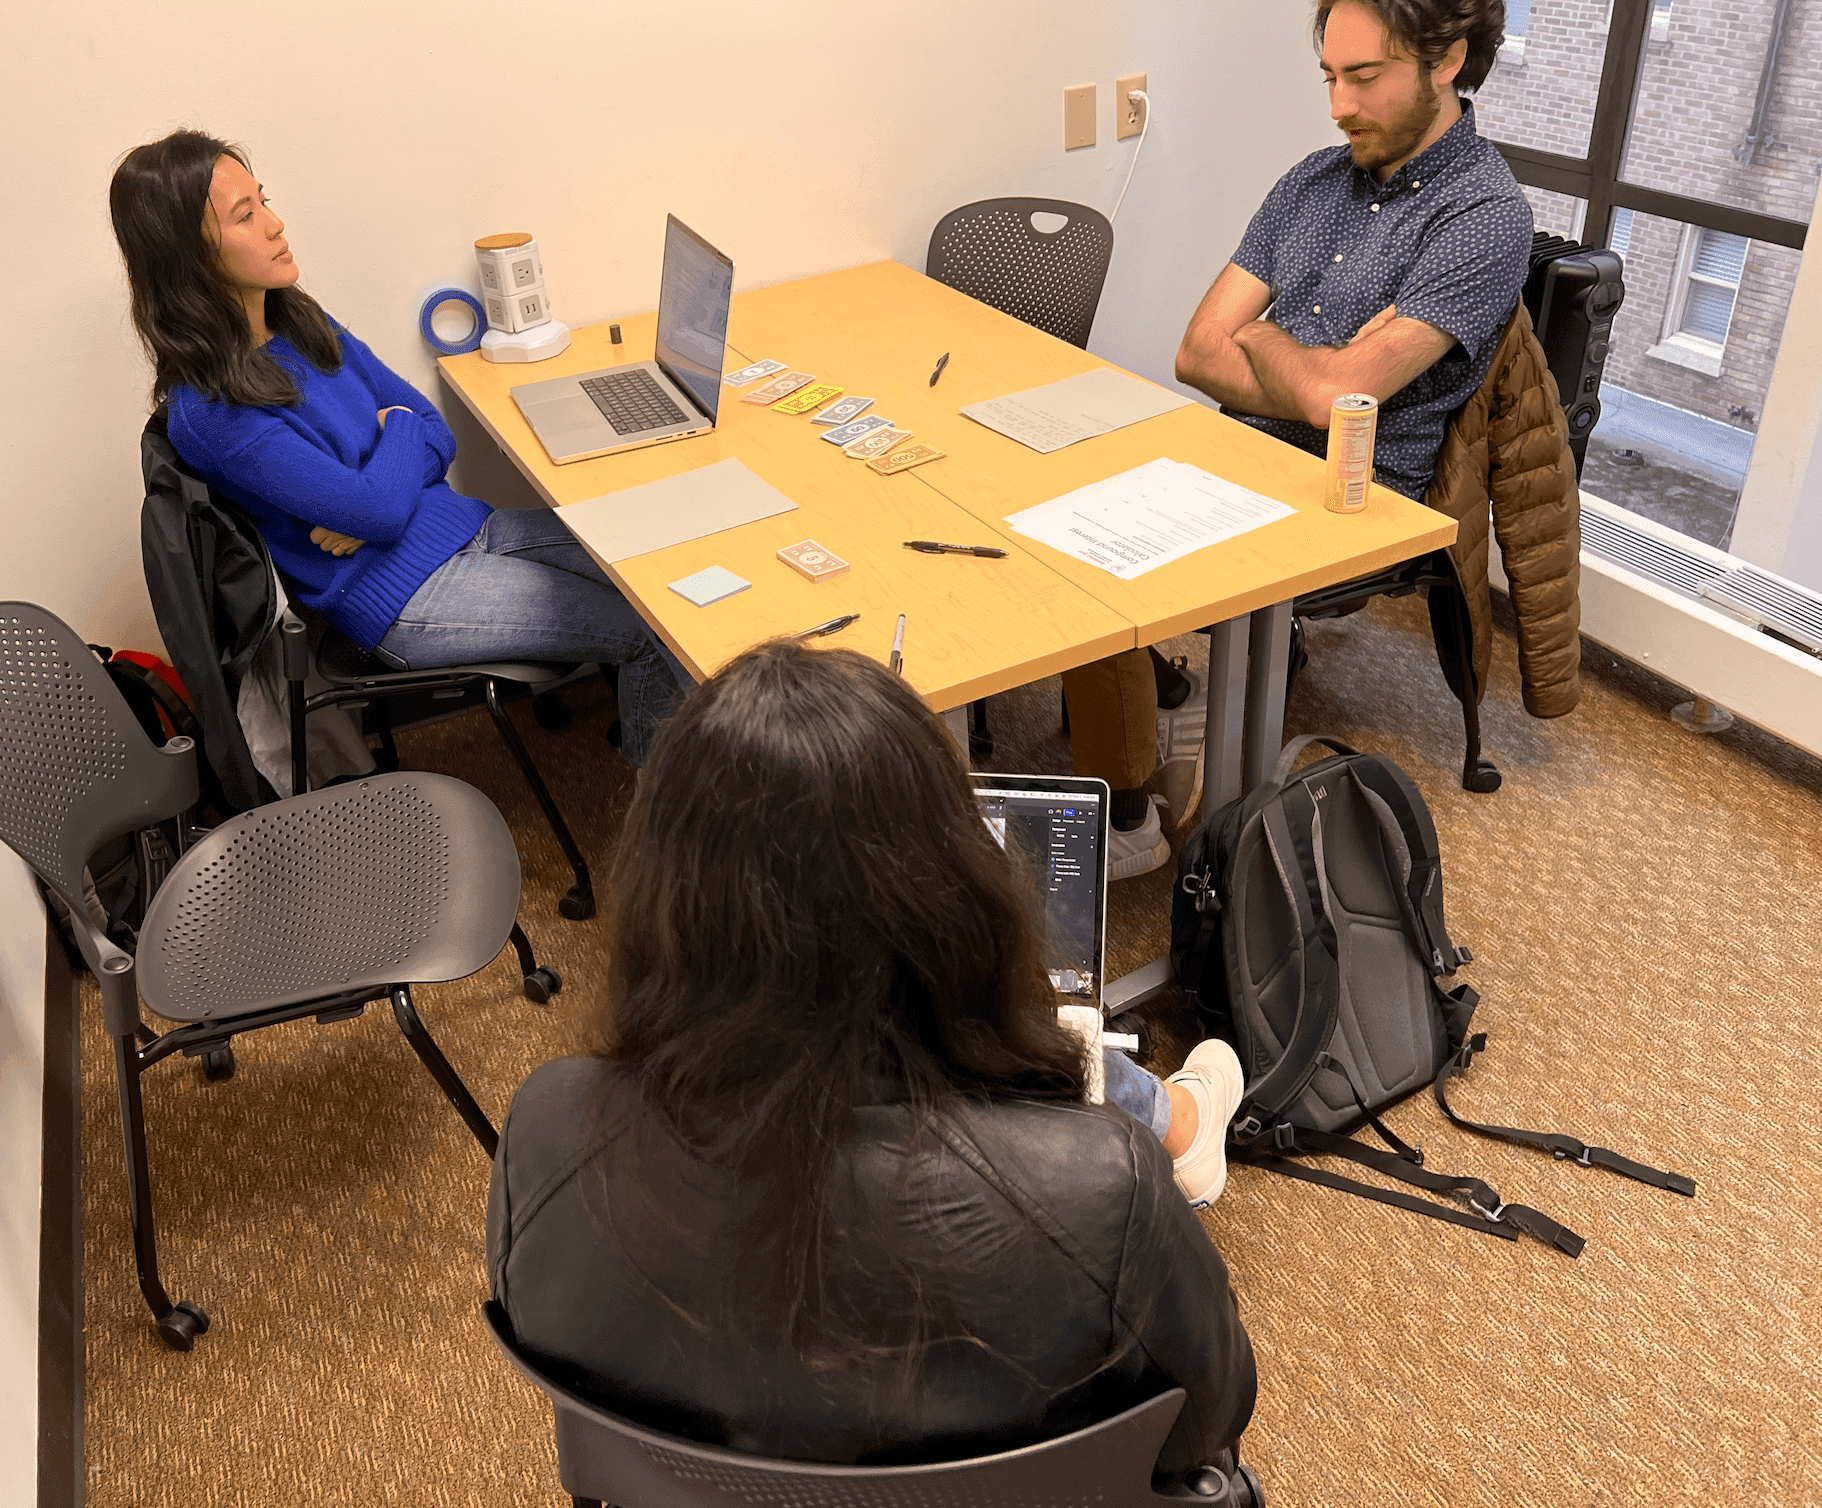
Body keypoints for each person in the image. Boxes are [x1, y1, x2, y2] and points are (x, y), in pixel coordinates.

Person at [488, 639, 1255, 1476]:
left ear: (664, 894)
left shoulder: (546, 1133)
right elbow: (1211, 1415)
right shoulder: (1106, 1184)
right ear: (955, 894)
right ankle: (1182, 1117)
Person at [1068, 0, 1533, 876]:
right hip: (1238, 456)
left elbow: (1330, 404)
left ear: (1447, 62)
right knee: (1058, 502)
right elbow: (1196, 352)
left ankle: (1130, 817)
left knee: (1100, 557)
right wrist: (1316, 369)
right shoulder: (1313, 181)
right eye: (1330, 76)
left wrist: (1266, 342)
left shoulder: (1483, 216)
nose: (1338, 105)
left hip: (1350, 497)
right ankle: (1164, 701)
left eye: (1365, 77)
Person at [108, 130, 686, 767]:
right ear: (186, 257)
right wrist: (393, 448)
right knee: (646, 630)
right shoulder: (212, 412)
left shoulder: (301, 323)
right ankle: (674, 818)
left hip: (467, 529)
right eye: (245, 215)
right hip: (404, 594)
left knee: (661, 576)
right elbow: (384, 501)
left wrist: (383, 478)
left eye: (263, 201)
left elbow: (432, 433)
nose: (275, 224)